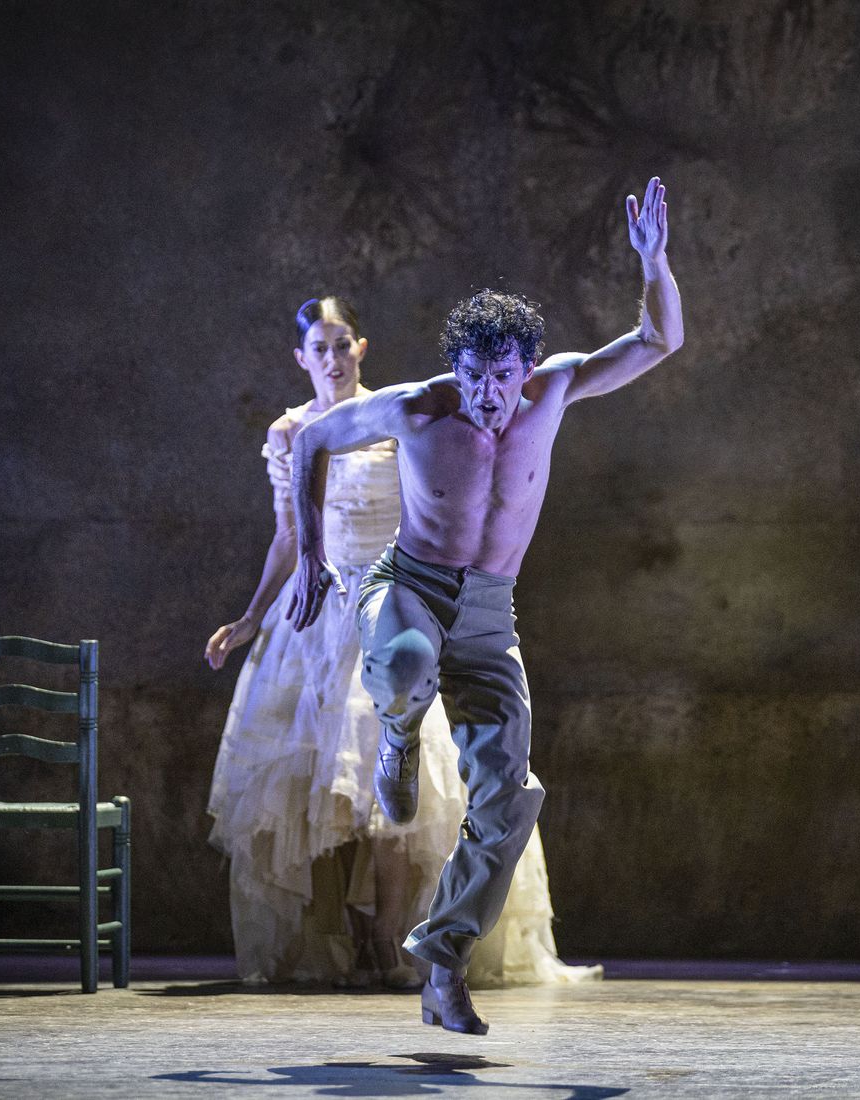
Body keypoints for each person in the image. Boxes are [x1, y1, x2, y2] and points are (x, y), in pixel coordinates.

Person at [287, 177, 682, 1033]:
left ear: (524, 370)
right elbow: (315, 437)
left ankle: (442, 957)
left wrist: (653, 262)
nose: (488, 395)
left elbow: (660, 338)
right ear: (455, 366)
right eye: (474, 375)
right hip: (411, 588)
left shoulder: (555, 390)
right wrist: (314, 552)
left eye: (502, 377)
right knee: (406, 662)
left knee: (510, 800)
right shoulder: (418, 408)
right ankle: (397, 737)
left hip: (491, 618)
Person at [205, 295, 598, 990]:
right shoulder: (293, 429)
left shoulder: (397, 411)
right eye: (317, 348)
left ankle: (391, 937)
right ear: (301, 357)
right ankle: (342, 941)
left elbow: (450, 495)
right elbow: (289, 537)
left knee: (407, 779)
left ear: (360, 347)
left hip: (401, 595)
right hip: (322, 610)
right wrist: (249, 618)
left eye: (341, 344)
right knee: (319, 788)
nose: (330, 358)